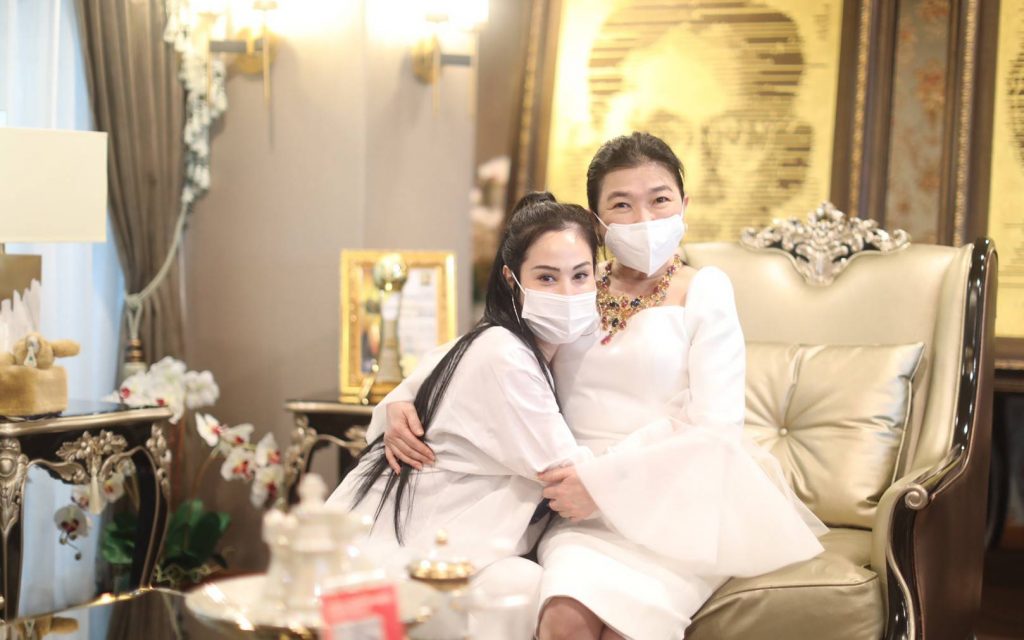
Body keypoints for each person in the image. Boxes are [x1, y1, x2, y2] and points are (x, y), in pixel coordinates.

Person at [378, 132, 827, 640]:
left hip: (676, 497)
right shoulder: (575, 282)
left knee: (624, 630)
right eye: (622, 204)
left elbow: (717, 428)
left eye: (659, 200)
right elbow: (491, 344)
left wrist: (606, 485)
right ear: (598, 221)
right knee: (564, 620)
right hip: (577, 507)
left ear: (684, 205)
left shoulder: (706, 289)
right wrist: (402, 396)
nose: (644, 218)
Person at [327, 192, 599, 603]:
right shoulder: (505, 354)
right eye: (546, 278)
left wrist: (402, 397)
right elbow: (569, 475)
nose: (566, 293)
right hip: (396, 556)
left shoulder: (504, 341)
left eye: (580, 275)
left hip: (431, 543)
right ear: (511, 280)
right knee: (533, 592)